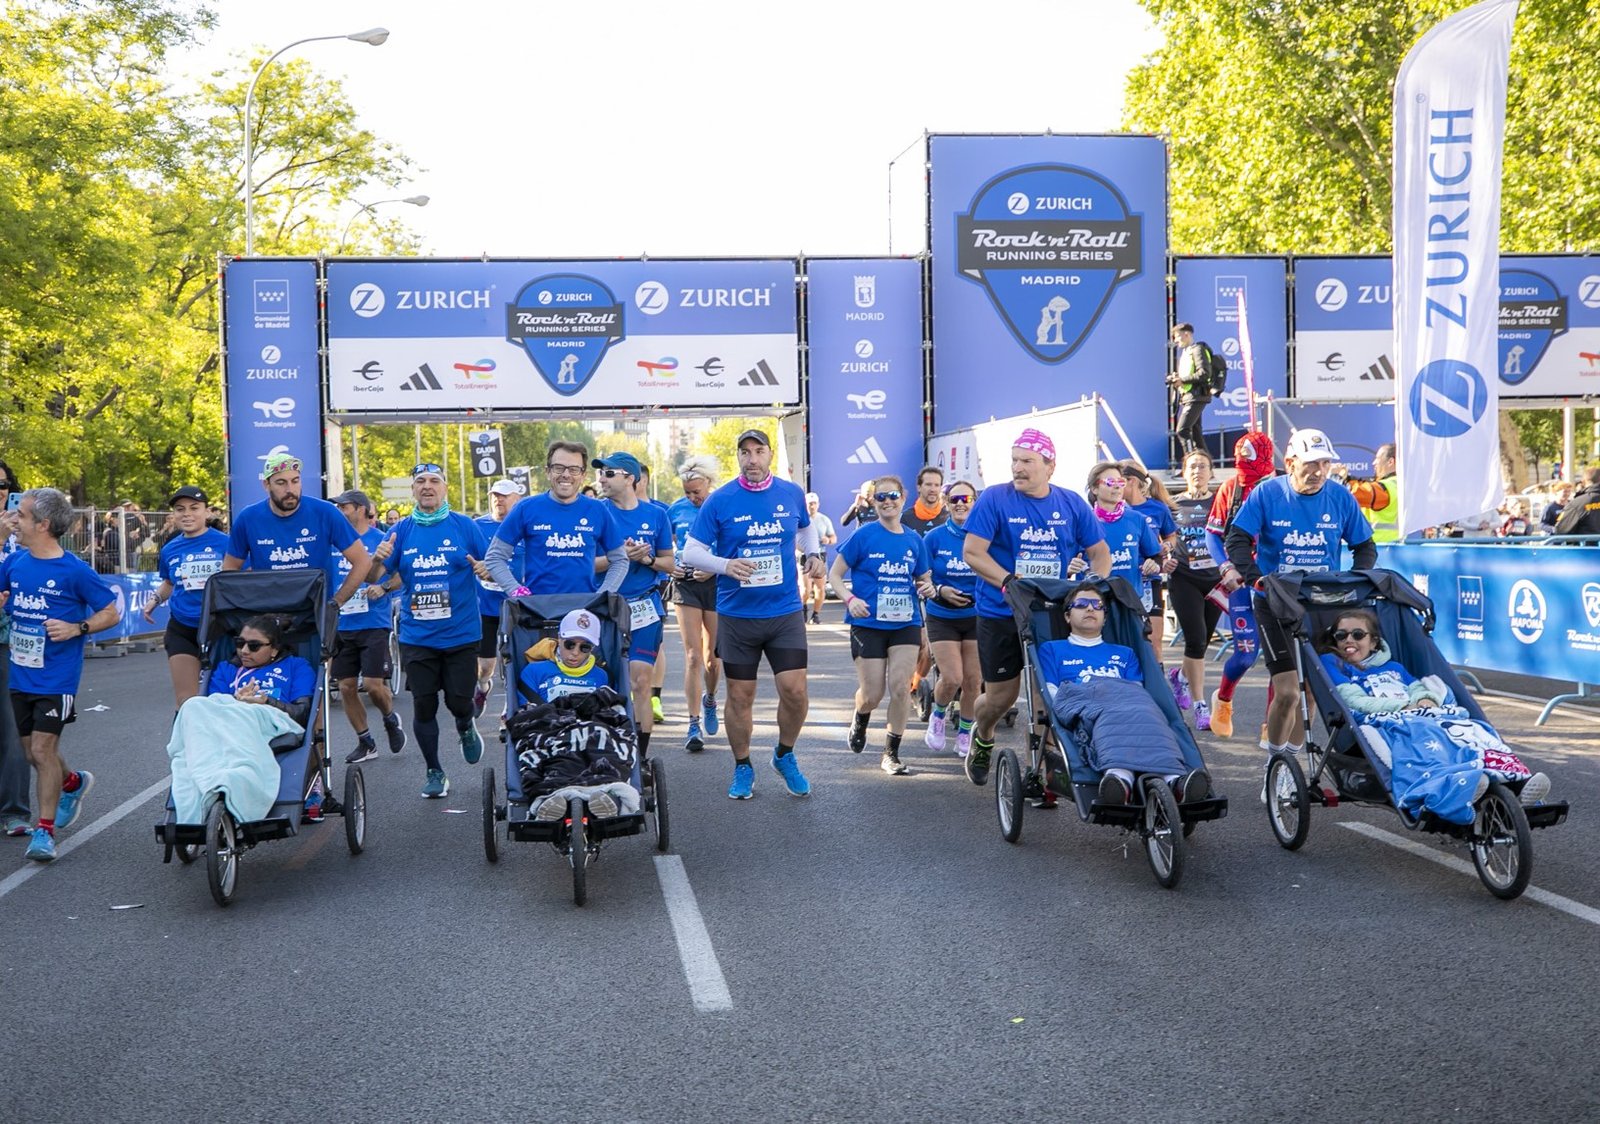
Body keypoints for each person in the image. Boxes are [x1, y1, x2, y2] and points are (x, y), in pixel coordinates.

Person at [1225, 428, 1378, 791]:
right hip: (1275, 602)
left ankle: (1289, 773)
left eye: (1325, 463)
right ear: (1290, 463)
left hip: (1323, 604)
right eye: (1311, 464)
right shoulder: (1267, 493)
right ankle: (1275, 764)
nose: (1319, 471)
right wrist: (1257, 579)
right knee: (1289, 691)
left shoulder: (1340, 497)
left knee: (1310, 692)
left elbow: (1365, 546)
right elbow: (1237, 538)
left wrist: (1356, 580)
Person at [962, 428, 1110, 788]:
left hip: (1051, 612)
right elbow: (972, 553)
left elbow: (1100, 553)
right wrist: (1008, 582)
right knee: (1001, 697)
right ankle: (982, 735)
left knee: (1051, 693)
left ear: (1050, 467)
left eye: (1027, 461)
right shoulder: (995, 499)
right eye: (1014, 460)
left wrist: (1091, 588)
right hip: (1001, 612)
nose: (1018, 468)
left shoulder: (1072, 503)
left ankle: (1044, 768)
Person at [681, 428, 825, 799]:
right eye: (745, 453)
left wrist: (813, 555)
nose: (752, 459)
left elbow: (806, 532)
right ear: (739, 458)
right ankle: (743, 766)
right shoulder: (721, 500)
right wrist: (726, 565)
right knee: (741, 698)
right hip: (737, 616)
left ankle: (784, 754)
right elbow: (691, 552)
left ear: (770, 455)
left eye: (758, 451)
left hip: (784, 612)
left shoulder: (791, 493)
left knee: (795, 691)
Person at [1315, 609, 1550, 819]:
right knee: (1428, 739)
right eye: (1341, 635)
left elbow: (1416, 687)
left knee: (1473, 730)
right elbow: (1353, 699)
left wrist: (1424, 699)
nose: (1349, 640)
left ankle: (1515, 781)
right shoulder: (1334, 663)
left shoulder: (1393, 667)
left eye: (1358, 635)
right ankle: (1454, 788)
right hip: (1385, 721)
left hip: (1422, 713)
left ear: (1374, 641)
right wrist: (1403, 708)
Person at [0, 487, 121, 861]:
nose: (14, 520)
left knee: (41, 748)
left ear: (44, 524)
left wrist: (77, 628)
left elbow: (111, 612)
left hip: (57, 677)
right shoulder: (15, 564)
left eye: (20, 514)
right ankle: (73, 782)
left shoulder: (74, 570)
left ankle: (45, 832)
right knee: (32, 754)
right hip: (21, 673)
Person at [368, 464, 490, 799]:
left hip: (461, 634)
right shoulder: (400, 531)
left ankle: (466, 724)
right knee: (423, 705)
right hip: (417, 636)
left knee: (459, 701)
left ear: (445, 488)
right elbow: (374, 577)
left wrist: (486, 571)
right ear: (413, 490)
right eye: (420, 482)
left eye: (434, 481)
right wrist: (377, 560)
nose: (427, 486)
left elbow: (492, 569)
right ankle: (435, 770)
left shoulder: (465, 526)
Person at [1038, 582, 1212, 805]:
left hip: (1127, 704)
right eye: (1081, 604)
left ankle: (1175, 781)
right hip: (1085, 705)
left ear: (1105, 616)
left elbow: (1135, 693)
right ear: (1067, 616)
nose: (1090, 609)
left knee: (1149, 715)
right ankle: (1120, 777)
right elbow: (1053, 693)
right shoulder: (1053, 649)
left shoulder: (1125, 653)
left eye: (1097, 605)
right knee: (1114, 716)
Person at [165, 613, 318, 824]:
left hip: (273, 718)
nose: (244, 651)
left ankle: (236, 784)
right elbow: (212, 708)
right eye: (240, 643)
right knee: (192, 705)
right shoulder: (227, 669)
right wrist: (235, 701)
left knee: (244, 713)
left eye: (254, 646)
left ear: (273, 649)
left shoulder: (297, 666)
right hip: (229, 719)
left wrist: (265, 702)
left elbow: (301, 713)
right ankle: (206, 783)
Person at [828, 475, 934, 776]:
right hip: (868, 623)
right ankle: (861, 716)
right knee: (872, 693)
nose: (887, 502)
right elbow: (835, 575)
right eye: (881, 497)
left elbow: (923, 578)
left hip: (905, 623)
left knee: (900, 687)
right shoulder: (864, 536)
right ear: (873, 502)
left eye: (893, 496)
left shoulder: (914, 540)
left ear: (903, 498)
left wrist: (926, 587)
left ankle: (891, 754)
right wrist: (849, 600)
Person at [595, 450, 674, 761]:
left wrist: (648, 559)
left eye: (609, 473)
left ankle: (638, 758)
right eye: (600, 473)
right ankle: (606, 750)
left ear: (630, 478)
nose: (601, 478)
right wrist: (620, 557)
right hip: (606, 607)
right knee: (608, 684)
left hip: (644, 607)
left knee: (641, 681)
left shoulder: (656, 515)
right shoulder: (595, 512)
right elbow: (585, 565)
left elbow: (669, 563)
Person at [221, 452, 370, 612]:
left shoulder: (325, 512)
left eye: (295, 481)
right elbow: (229, 570)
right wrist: (245, 606)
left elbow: (363, 561)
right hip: (266, 617)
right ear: (266, 485)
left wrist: (335, 603)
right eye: (281, 483)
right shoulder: (248, 518)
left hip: (314, 618)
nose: (290, 489)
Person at [484, 439, 627, 599]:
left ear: (583, 475)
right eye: (559, 468)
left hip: (584, 614)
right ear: (548, 471)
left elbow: (620, 559)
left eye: (573, 469)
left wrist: (602, 595)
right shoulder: (526, 508)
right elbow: (494, 557)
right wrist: (516, 591)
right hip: (537, 613)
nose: (566, 474)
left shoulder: (597, 510)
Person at [1204, 430, 1278, 739]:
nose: (1245, 477)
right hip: (1244, 583)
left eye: (1251, 471)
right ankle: (1223, 700)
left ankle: (1271, 725)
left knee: (1280, 661)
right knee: (1246, 655)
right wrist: (1226, 567)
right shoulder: (1231, 488)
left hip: (1279, 583)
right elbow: (1213, 533)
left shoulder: (1283, 487)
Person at [328, 490, 406, 764]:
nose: (339, 511)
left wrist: (382, 587)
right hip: (342, 623)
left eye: (344, 507)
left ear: (360, 509)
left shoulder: (380, 540)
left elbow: (400, 577)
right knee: (347, 686)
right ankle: (366, 741)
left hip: (373, 622)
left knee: (373, 685)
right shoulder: (334, 542)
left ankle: (389, 718)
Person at [143, 485, 230, 711]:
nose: (187, 514)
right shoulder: (170, 549)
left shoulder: (226, 543)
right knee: (187, 702)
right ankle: (189, 745)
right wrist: (154, 600)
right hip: (183, 627)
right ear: (174, 515)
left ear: (206, 511)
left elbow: (244, 579)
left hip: (220, 626)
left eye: (194, 508)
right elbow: (170, 583)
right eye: (180, 509)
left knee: (223, 699)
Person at [921, 480, 982, 757]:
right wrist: (941, 590)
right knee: (952, 678)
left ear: (974, 502)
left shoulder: (984, 536)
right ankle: (938, 714)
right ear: (946, 504)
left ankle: (965, 733)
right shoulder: (933, 538)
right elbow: (920, 576)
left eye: (966, 499)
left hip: (976, 615)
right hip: (942, 615)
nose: (960, 504)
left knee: (973, 681)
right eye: (955, 499)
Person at [1165, 450, 1223, 731]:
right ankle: (1201, 706)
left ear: (1211, 472)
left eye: (1203, 466)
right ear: (1183, 473)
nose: (1198, 471)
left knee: (1203, 638)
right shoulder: (1173, 505)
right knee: (1197, 641)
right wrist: (1165, 557)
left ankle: (1179, 677)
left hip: (1215, 579)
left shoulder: (1220, 503)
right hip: (1184, 577)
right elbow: (1160, 540)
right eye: (1192, 466)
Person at [668, 457, 723, 753]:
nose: (692, 497)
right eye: (687, 492)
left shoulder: (721, 505)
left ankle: (710, 698)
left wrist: (714, 567)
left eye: (696, 491)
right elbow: (666, 547)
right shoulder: (675, 510)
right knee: (692, 657)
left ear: (708, 484)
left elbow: (733, 546)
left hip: (715, 585)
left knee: (713, 656)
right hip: (686, 584)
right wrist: (669, 567)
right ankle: (693, 723)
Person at [473, 479, 526, 719]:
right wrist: (477, 566)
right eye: (495, 494)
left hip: (516, 604)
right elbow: (464, 559)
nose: (498, 499)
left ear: (517, 499)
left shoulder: (525, 527)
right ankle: (483, 686)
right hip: (484, 605)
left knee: (512, 660)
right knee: (485, 666)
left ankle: (509, 707)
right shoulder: (477, 526)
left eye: (504, 495)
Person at [1119, 462, 1180, 662]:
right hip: (1120, 579)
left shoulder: (1157, 508)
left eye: (1120, 480)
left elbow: (1171, 537)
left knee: (1153, 640)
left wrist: (1167, 548)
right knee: (1121, 639)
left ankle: (1156, 690)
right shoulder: (1113, 508)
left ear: (1132, 481)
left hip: (1148, 580)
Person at [1084, 462, 1163, 613]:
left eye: (1120, 482)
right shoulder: (1083, 521)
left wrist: (1153, 565)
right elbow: (1067, 560)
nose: (1117, 486)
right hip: (1093, 604)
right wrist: (1070, 567)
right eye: (1110, 482)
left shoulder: (1137, 519)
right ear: (1094, 488)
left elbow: (1156, 555)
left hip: (1130, 602)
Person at [0, 464, 31, 837]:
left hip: (14, 638)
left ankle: (14, 810)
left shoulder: (23, 526)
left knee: (12, 727)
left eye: (3, 485)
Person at [518, 608, 611, 703]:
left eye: (585, 647)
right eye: (570, 644)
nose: (575, 652)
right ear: (559, 638)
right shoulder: (533, 671)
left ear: (593, 648)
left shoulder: (602, 676)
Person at [1167, 322, 1216, 456]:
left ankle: (1190, 462)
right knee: (1196, 433)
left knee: (1182, 430)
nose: (1176, 341)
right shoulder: (1185, 353)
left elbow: (1204, 373)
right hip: (1188, 396)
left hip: (1197, 396)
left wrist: (1182, 380)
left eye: (1177, 337)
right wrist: (1177, 378)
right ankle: (1207, 466)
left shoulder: (1198, 349)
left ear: (1187, 334)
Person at [1346, 443, 1400, 544]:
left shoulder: (1390, 485)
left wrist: (1340, 479)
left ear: (1391, 462)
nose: (1374, 463)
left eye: (1377, 459)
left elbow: (1358, 494)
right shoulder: (1400, 484)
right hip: (1389, 546)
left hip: (1380, 548)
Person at [801, 492, 837, 624]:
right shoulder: (801, 518)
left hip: (820, 555)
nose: (812, 506)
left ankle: (816, 614)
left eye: (814, 503)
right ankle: (803, 608)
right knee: (805, 588)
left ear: (818, 504)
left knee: (820, 587)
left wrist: (827, 540)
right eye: (810, 503)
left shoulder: (824, 519)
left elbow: (833, 538)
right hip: (804, 556)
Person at [1552, 467, 1600, 535]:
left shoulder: (1577, 503)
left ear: (1583, 481)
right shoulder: (1576, 503)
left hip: (1587, 544)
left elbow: (1560, 530)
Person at [900, 465, 947, 535]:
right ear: (919, 487)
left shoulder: (948, 518)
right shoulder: (905, 518)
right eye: (928, 484)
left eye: (937, 485)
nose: (932, 489)